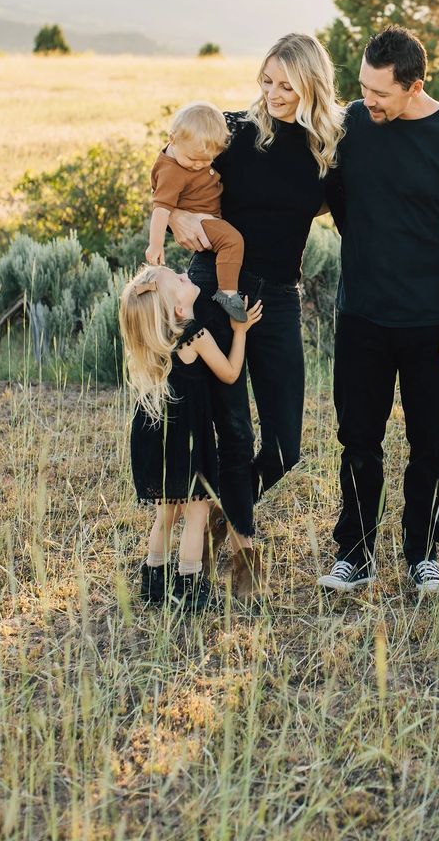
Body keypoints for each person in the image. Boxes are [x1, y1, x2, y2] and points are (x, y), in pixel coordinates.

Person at [317, 25, 439, 594]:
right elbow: (325, 197)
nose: (366, 100)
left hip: (430, 322)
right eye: (363, 86)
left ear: (415, 86)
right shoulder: (350, 127)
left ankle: (424, 555)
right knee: (358, 439)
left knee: (430, 443)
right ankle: (356, 552)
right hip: (361, 315)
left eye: (380, 93)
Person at [167, 33, 344, 596]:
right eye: (266, 81)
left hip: (279, 297)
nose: (273, 93)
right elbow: (172, 166)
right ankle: (243, 546)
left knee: (285, 445)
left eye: (286, 84)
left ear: (312, 84)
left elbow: (355, 215)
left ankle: (223, 509)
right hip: (216, 288)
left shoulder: (326, 151)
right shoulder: (236, 132)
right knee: (232, 429)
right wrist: (175, 223)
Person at [118, 264, 262, 611]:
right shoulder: (194, 335)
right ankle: (190, 589)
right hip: (188, 442)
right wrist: (239, 331)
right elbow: (228, 373)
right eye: (181, 280)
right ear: (180, 310)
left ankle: (153, 581)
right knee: (197, 514)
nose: (188, 276)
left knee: (166, 515)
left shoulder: (155, 343)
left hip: (154, 438)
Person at [145, 101, 248, 322]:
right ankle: (227, 292)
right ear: (172, 139)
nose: (199, 166)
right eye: (193, 160)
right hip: (201, 220)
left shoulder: (187, 150)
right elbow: (161, 209)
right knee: (232, 242)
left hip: (209, 216)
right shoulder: (172, 172)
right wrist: (156, 244)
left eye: (207, 161)